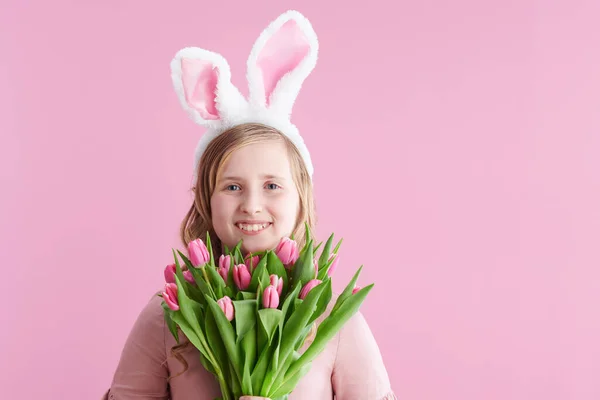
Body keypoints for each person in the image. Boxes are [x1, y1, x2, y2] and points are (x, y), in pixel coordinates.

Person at [103, 10, 396, 400]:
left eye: (272, 185)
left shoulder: (333, 318)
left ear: (301, 199)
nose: (252, 205)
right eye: (232, 187)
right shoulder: (168, 314)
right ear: (206, 199)